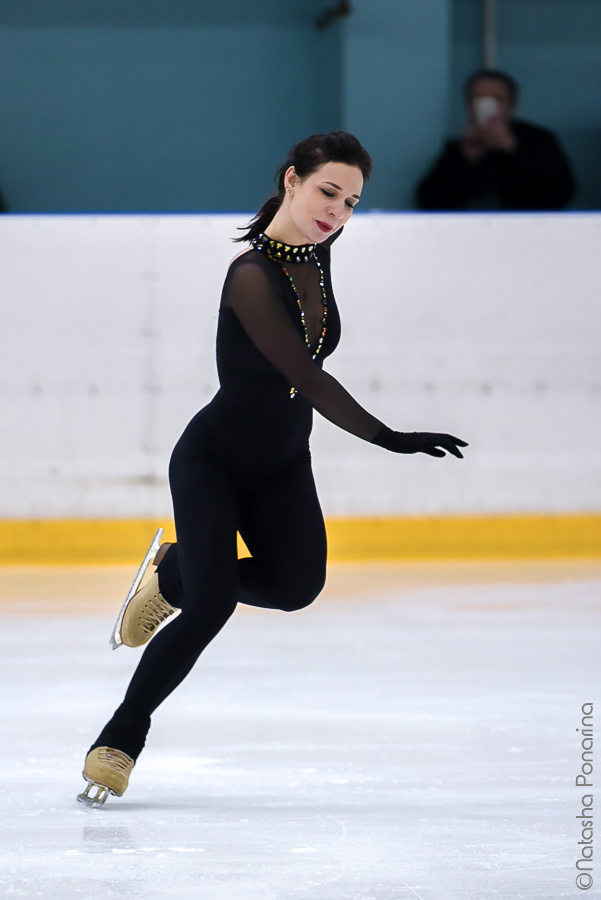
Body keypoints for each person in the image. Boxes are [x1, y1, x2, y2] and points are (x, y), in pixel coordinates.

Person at [77, 132, 468, 807]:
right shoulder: (250, 275)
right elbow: (301, 373)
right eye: (327, 192)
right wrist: (387, 437)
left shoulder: (318, 255)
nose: (336, 211)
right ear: (291, 180)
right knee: (213, 604)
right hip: (213, 461)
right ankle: (119, 738)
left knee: (294, 588)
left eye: (350, 202)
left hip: (284, 458)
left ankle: (172, 572)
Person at [416, 69, 576, 211]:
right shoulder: (459, 148)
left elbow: (561, 193)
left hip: (527, 234)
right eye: (479, 99)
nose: (487, 106)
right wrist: (465, 158)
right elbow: (429, 202)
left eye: (497, 99)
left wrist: (512, 148)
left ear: (512, 105)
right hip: (468, 236)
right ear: (468, 104)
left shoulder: (538, 141)